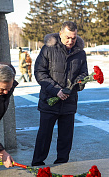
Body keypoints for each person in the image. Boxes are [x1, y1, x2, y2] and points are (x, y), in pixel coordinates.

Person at [32, 21, 88, 166]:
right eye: (68, 37)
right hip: (49, 100)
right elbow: (40, 73)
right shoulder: (48, 49)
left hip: (69, 101)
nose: (71, 41)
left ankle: (62, 165)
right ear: (61, 34)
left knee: (66, 137)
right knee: (44, 136)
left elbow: (83, 74)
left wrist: (77, 85)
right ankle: (38, 164)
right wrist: (57, 91)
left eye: (74, 38)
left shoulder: (80, 53)